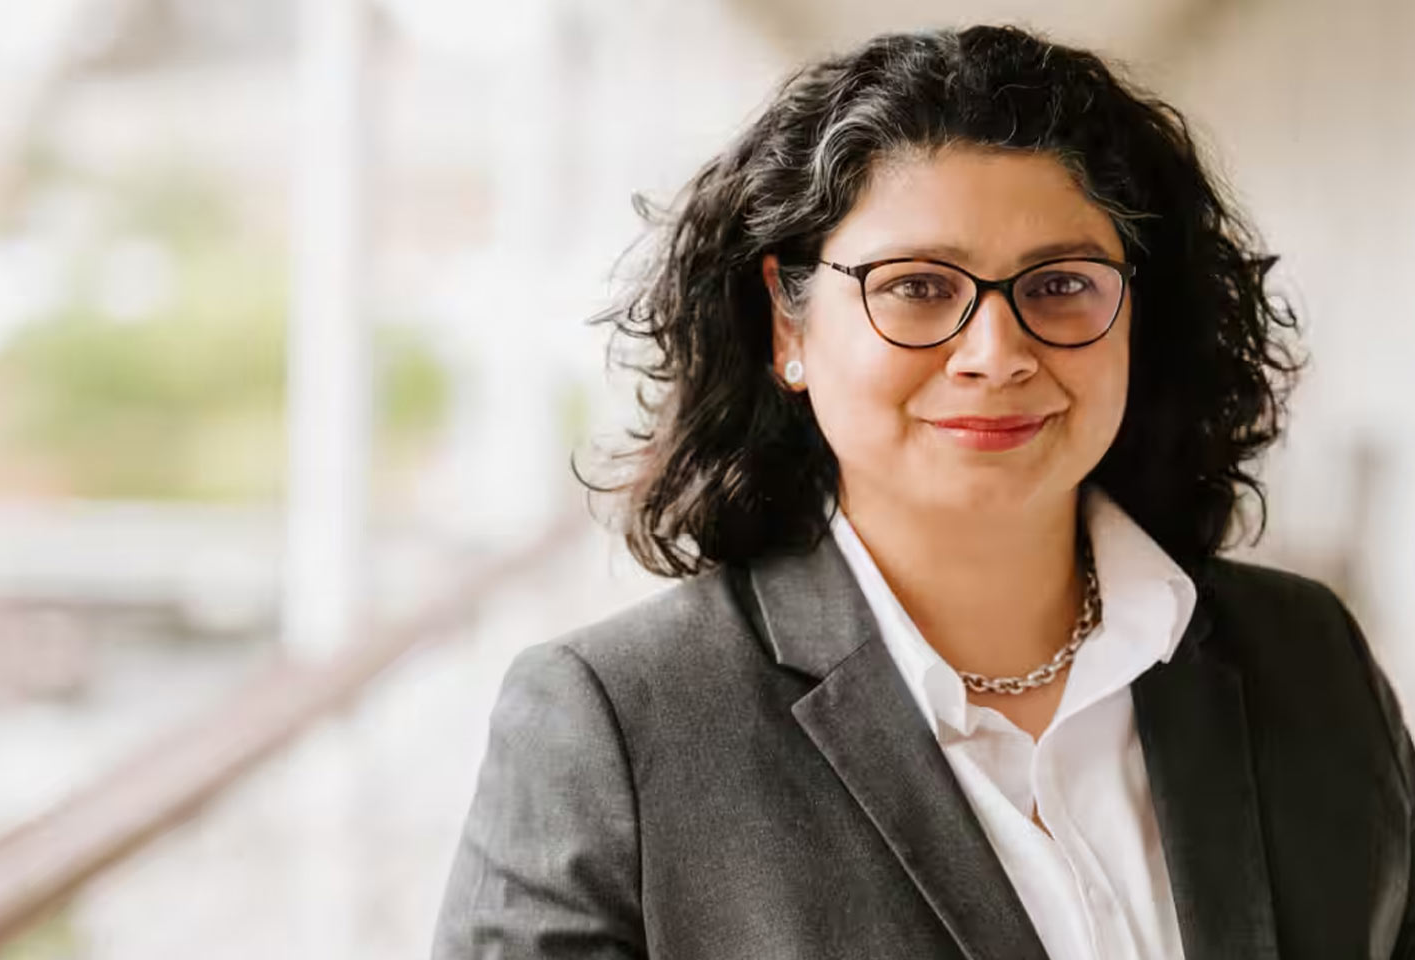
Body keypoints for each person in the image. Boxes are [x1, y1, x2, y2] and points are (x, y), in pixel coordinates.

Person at [433, 24, 1413, 960]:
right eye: (917, 287)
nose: (997, 354)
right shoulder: (617, 725)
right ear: (788, 326)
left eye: (1060, 284)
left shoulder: (1307, 658)